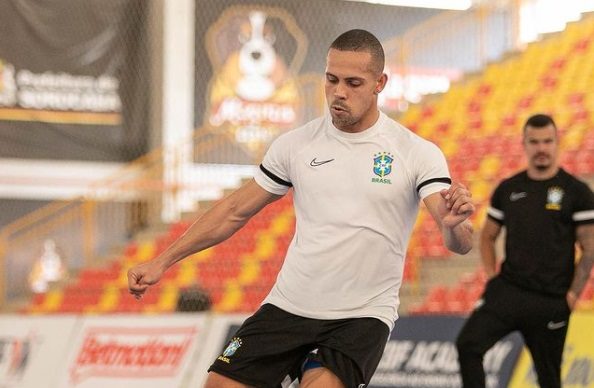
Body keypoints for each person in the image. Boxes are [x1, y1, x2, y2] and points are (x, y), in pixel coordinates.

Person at [128, 29, 475, 388]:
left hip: (360, 315)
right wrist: (162, 260)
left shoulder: (415, 152)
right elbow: (234, 211)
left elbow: (459, 242)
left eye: (354, 82)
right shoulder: (296, 145)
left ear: (380, 83)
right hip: (288, 306)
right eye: (331, 79)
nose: (339, 92)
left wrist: (452, 225)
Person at [456, 114, 594, 388]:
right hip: (508, 291)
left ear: (557, 143)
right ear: (524, 144)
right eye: (534, 142)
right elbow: (487, 237)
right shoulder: (509, 189)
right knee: (468, 345)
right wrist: (491, 278)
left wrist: (572, 296)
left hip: (551, 299)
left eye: (547, 141)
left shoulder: (577, 192)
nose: (541, 148)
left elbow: (589, 249)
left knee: (549, 380)